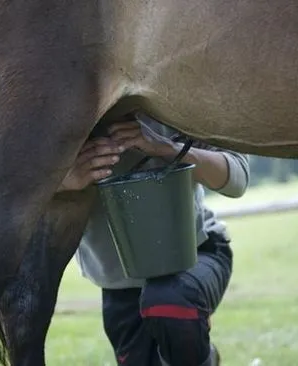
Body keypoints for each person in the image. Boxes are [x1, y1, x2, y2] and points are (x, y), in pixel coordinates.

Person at [60, 114, 251, 366]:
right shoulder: (58, 98)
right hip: (120, 287)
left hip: (196, 253)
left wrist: (167, 148)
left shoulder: (172, 92)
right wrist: (61, 180)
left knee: (167, 301)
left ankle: (201, 355)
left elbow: (238, 177)